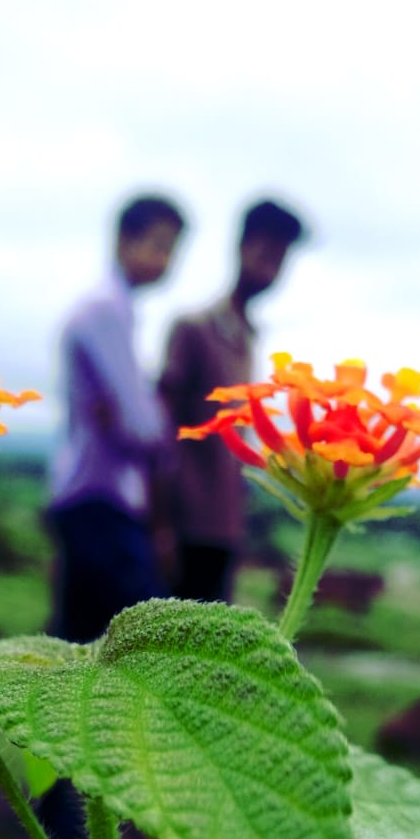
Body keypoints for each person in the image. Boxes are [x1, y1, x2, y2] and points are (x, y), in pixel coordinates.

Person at [46, 192, 187, 643]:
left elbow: (125, 415)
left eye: (172, 250)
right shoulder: (106, 311)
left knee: (80, 642)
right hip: (100, 498)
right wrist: (159, 427)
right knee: (144, 640)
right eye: (158, 246)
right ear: (124, 240)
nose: (165, 262)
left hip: (86, 496)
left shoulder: (115, 311)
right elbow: (140, 424)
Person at [158, 198, 308, 602]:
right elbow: (161, 430)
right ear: (241, 246)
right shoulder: (193, 328)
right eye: (266, 252)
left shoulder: (248, 337)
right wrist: (160, 526)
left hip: (224, 528)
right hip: (183, 527)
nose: (271, 268)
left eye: (281, 259)